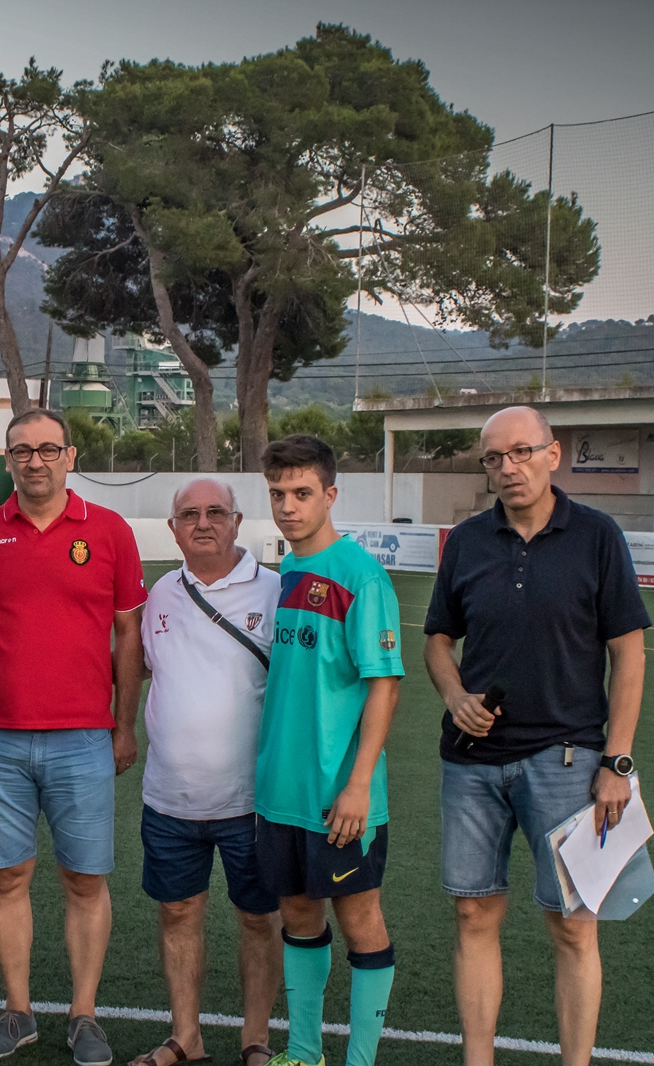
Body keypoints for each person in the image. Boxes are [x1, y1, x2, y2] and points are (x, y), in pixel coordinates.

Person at [422, 405, 649, 1066]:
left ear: (553, 454)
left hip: (568, 761)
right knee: (473, 914)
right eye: (494, 457)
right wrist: (455, 696)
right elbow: (438, 639)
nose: (508, 467)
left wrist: (617, 760)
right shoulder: (467, 541)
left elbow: (628, 653)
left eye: (521, 451)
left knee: (573, 926)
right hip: (471, 765)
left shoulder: (597, 535)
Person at [0, 408, 146, 1066]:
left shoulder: (110, 530)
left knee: (84, 879)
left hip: (84, 738)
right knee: (8, 877)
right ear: (8, 459)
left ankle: (84, 1014)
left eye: (48, 449)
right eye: (22, 450)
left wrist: (124, 724)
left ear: (70, 456)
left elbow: (129, 634)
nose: (35, 461)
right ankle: (18, 1011)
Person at [257, 435, 403, 1066]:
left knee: (359, 918)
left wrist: (359, 784)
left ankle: (360, 1061)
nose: (288, 506)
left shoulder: (360, 576)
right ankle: (304, 1052)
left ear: (331, 494)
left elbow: (384, 684)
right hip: (280, 790)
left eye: (301, 493)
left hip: (340, 794)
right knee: (297, 913)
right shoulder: (284, 574)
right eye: (277, 494)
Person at [132, 478, 283, 1066]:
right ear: (173, 529)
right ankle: (185, 1036)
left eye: (215, 512)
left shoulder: (275, 589)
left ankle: (255, 1038)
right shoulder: (160, 595)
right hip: (169, 797)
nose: (202, 523)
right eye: (189, 514)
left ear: (237, 522)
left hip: (252, 800)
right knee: (177, 913)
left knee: (258, 918)